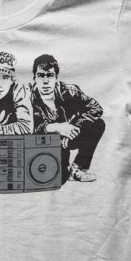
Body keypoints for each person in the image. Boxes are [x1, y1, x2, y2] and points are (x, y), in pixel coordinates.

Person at [31, 54, 105, 183]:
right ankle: (63, 170)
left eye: (50, 75)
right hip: (45, 141)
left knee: (98, 124)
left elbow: (95, 107)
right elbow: (27, 127)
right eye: (41, 75)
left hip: (69, 137)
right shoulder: (28, 97)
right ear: (34, 78)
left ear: (56, 77)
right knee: (60, 179)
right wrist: (56, 127)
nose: (45, 81)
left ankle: (78, 168)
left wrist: (75, 127)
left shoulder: (70, 91)